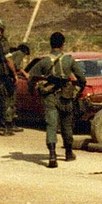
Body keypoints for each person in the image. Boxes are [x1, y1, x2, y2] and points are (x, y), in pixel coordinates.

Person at [28, 32, 86, 168]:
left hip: (50, 97)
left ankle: (52, 155)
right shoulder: (69, 60)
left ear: (50, 44)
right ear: (63, 44)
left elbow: (32, 77)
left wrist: (33, 91)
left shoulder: (44, 61)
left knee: (51, 125)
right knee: (67, 125)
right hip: (66, 96)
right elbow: (82, 79)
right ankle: (68, 153)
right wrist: (77, 91)